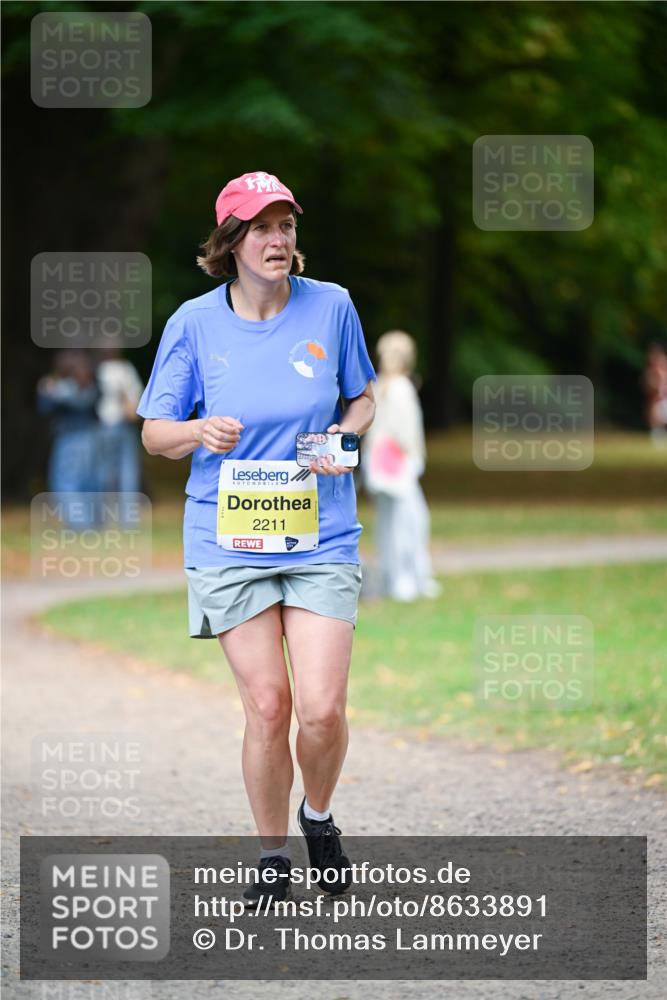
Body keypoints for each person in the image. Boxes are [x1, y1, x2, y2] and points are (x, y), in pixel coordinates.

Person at [137, 170, 376, 904]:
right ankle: (273, 856)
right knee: (269, 705)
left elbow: (363, 398)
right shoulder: (193, 322)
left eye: (286, 226)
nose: (278, 240)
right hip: (228, 539)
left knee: (322, 708)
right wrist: (196, 430)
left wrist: (341, 433)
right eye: (262, 228)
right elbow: (154, 434)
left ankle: (319, 816)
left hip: (319, 532)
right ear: (231, 242)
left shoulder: (331, 307)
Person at [361, 330, 440, 601]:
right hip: (398, 467)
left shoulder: (378, 385)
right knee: (412, 523)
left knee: (388, 524)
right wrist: (415, 459)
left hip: (377, 466)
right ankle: (408, 581)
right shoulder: (402, 388)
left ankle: (392, 578)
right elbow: (406, 433)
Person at [37, 349, 100, 528]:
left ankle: (80, 526)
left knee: (66, 482)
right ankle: (93, 524)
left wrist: (46, 390)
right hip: (91, 438)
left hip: (69, 440)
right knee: (89, 482)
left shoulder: (61, 389)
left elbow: (44, 407)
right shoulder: (91, 387)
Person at [95, 347, 144, 499]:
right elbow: (136, 397)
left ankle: (105, 506)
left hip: (103, 424)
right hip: (124, 423)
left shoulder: (97, 369)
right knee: (128, 467)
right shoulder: (125, 369)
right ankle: (127, 510)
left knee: (104, 467)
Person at [642, 343, 667, 447]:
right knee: (655, 417)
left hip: (663, 399)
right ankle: (657, 438)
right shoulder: (650, 371)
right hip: (658, 400)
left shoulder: (663, 366)